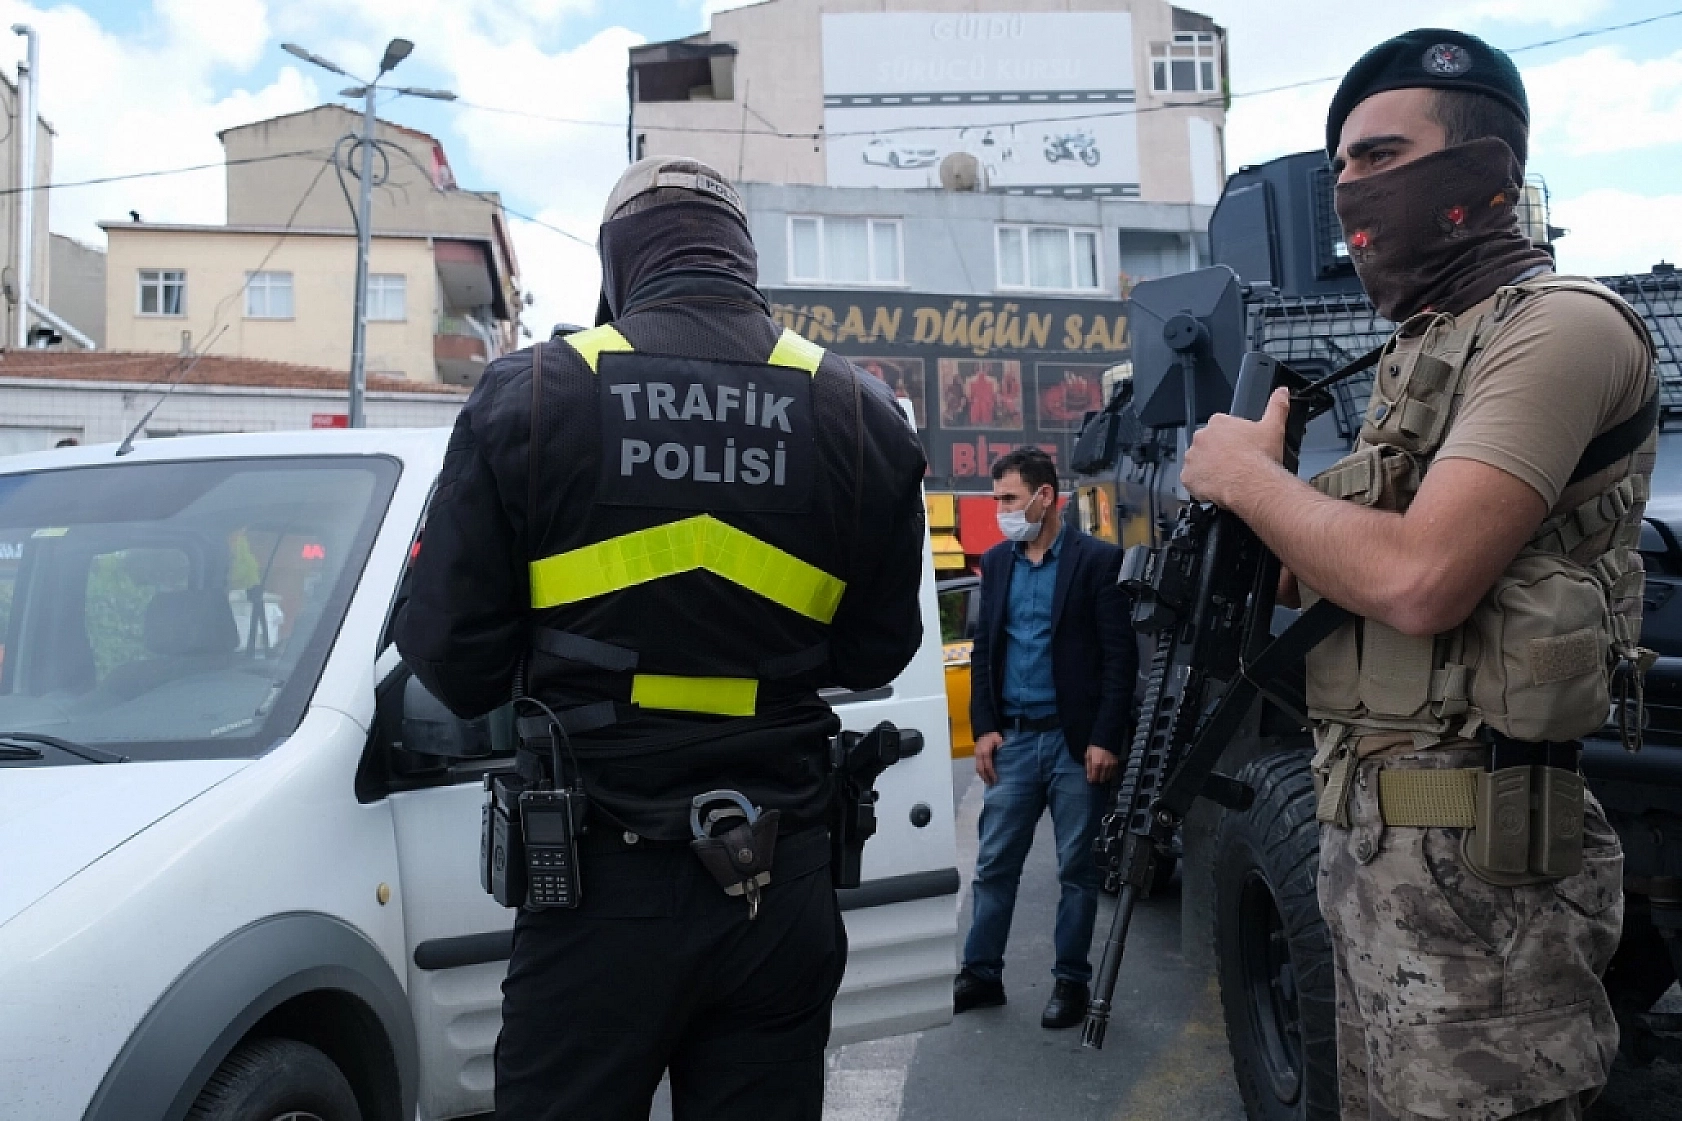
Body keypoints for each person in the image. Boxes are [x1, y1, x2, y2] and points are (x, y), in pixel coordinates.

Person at [1181, 28, 1655, 1121]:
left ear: (1482, 172)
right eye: (1342, 164)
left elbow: (1420, 579)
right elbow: (1344, 579)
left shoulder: (1560, 327)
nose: (1352, 186)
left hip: (1483, 879)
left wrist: (1251, 480)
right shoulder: (1424, 350)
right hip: (1376, 853)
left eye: (1382, 156)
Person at [395, 155, 928, 1120]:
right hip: (778, 880)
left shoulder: (534, 395)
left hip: (597, 885)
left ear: (618, 263)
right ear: (742, 261)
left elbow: (454, 665)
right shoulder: (862, 413)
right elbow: (875, 654)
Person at [954, 446, 1136, 1029]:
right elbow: (985, 651)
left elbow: (1119, 659)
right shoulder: (997, 563)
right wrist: (985, 728)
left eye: (1009, 499)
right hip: (1013, 743)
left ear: (1045, 496)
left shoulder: (1097, 562)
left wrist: (1105, 737)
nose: (1001, 511)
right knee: (993, 866)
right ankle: (981, 974)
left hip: (1072, 746)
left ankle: (1070, 983)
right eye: (997, 499)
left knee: (1077, 871)